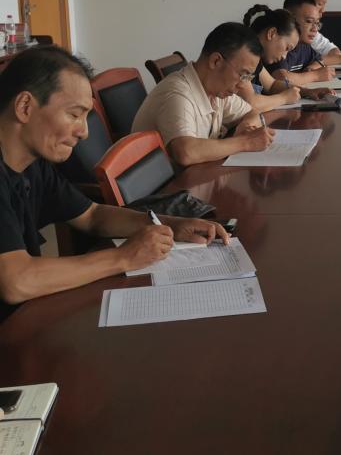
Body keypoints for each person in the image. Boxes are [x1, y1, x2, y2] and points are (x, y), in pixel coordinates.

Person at [0, 46, 228, 322]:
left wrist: (171, 225)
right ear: (25, 107)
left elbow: (92, 215)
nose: (84, 132)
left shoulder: (33, 165)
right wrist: (124, 257)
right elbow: (17, 280)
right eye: (74, 114)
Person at [132, 22, 275, 167]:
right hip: (165, 181)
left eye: (248, 78)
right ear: (216, 61)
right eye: (242, 75)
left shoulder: (217, 91)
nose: (243, 84)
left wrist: (246, 127)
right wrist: (245, 142)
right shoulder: (177, 93)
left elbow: (252, 113)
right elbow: (186, 152)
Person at [238, 4, 332, 112]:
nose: (284, 56)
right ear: (272, 33)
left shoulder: (255, 58)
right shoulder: (242, 55)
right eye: (287, 48)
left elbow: (272, 85)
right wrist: (284, 98)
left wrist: (307, 92)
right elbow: (250, 103)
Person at [265, 0, 337, 87]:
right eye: (309, 21)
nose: (315, 29)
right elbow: (281, 78)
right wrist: (315, 75)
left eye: (317, 23)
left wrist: (311, 68)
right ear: (290, 19)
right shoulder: (279, 47)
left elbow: (320, 61)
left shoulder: (304, 47)